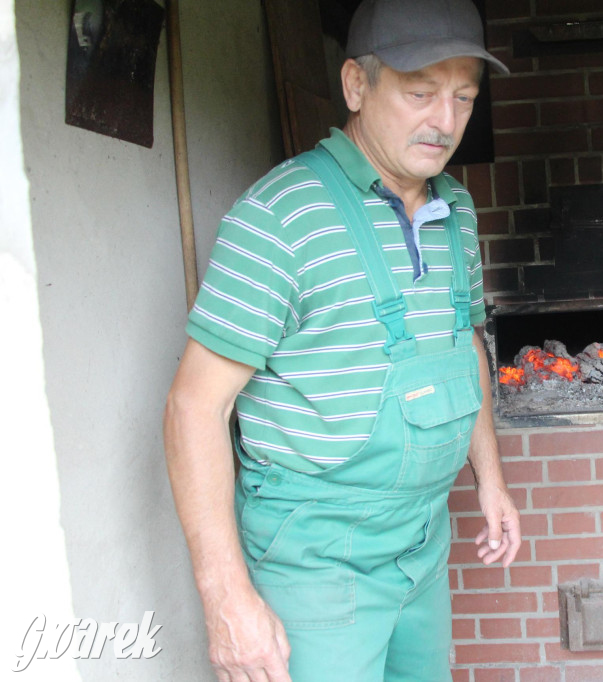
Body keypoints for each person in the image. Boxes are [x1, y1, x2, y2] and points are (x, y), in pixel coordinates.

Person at [162, 0, 521, 679]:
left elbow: (460, 343)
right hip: (316, 559)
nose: (445, 122)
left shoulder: (458, 211)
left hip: (421, 540)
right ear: (357, 85)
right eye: (421, 93)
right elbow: (191, 410)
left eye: (464, 99)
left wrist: (490, 477)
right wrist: (227, 601)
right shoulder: (281, 217)